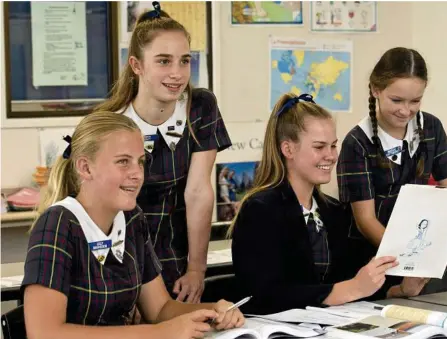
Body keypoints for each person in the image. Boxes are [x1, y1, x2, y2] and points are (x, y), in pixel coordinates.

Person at [23, 112, 244, 339]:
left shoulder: (132, 219)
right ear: (85, 168)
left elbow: (159, 309)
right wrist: (158, 333)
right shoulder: (58, 224)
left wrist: (212, 312)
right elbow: (44, 333)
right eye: (123, 162)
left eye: (140, 162)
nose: (138, 174)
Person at [337, 47, 447, 293]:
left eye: (415, 101)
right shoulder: (357, 143)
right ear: (375, 90)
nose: (405, 110)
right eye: (396, 100)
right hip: (370, 265)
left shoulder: (430, 128)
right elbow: (365, 220)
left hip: (414, 258)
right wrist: (413, 259)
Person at [95, 2, 232, 302]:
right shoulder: (111, 122)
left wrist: (197, 269)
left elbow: (198, 191)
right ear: (137, 65)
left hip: (177, 258)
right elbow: (100, 211)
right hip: (120, 259)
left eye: (184, 61)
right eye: (163, 61)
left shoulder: (201, 106)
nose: (177, 73)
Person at [228, 93, 406, 315]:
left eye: (333, 146)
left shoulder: (334, 211)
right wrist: (349, 289)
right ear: (288, 149)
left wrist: (397, 289)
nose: (331, 156)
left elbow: (353, 278)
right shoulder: (260, 209)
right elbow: (264, 294)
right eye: (319, 147)